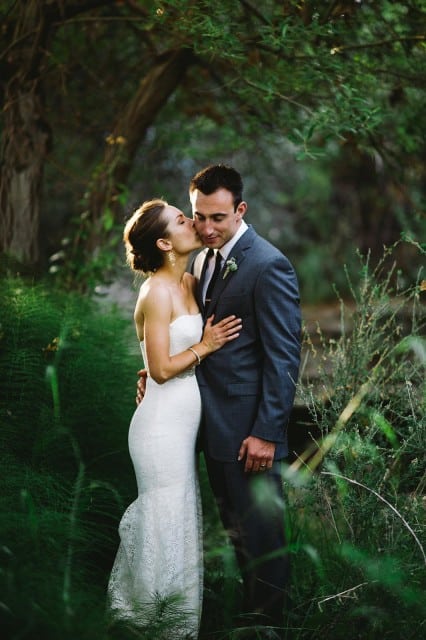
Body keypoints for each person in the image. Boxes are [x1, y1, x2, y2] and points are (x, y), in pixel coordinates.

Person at [139, 165, 302, 637]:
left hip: (249, 430)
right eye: (198, 216)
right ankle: (245, 619)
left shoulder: (267, 264)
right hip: (209, 425)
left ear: (241, 210)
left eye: (218, 217)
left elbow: (283, 357)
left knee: (263, 533)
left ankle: (269, 626)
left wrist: (267, 433)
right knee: (237, 531)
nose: (207, 228)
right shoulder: (204, 261)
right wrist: (158, 367)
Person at [107, 198, 242, 639]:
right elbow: (163, 369)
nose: (193, 223)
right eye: (182, 220)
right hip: (160, 428)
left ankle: (177, 625)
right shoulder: (156, 291)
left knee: (181, 519)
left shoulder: (191, 278)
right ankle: (142, 621)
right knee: (163, 521)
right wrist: (206, 345)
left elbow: (153, 362)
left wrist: (150, 366)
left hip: (183, 424)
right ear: (165, 242)